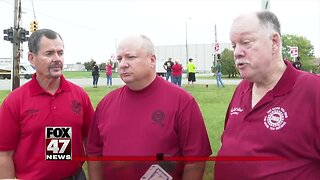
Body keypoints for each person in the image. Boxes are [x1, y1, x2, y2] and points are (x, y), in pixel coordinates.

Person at [87, 34, 212, 180]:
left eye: (130, 57)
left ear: (152, 60)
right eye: (120, 59)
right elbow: (94, 152)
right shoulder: (106, 103)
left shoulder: (182, 102)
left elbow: (195, 161)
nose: (122, 64)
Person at [214, 11, 320, 179]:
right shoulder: (242, 88)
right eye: (234, 45)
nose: (237, 52)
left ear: (274, 42)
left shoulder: (313, 90)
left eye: (246, 43)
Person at [0, 29, 94, 179]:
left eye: (60, 53)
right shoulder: (14, 102)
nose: (57, 58)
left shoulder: (79, 96)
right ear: (31, 58)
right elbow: (4, 153)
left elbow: (91, 142)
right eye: (49, 53)